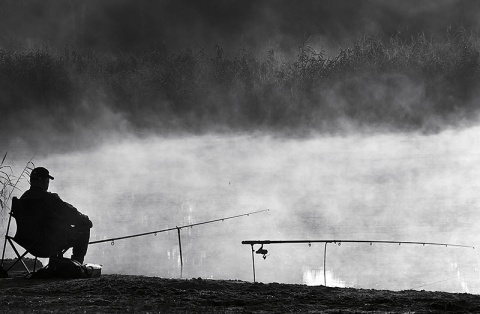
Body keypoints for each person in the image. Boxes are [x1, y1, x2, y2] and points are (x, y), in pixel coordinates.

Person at [20, 167, 92, 264]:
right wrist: (85, 219)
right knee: (84, 228)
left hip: (27, 242)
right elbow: (71, 215)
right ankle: (76, 265)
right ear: (44, 181)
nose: (48, 183)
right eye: (47, 180)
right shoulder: (48, 198)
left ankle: (60, 264)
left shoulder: (23, 199)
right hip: (48, 244)